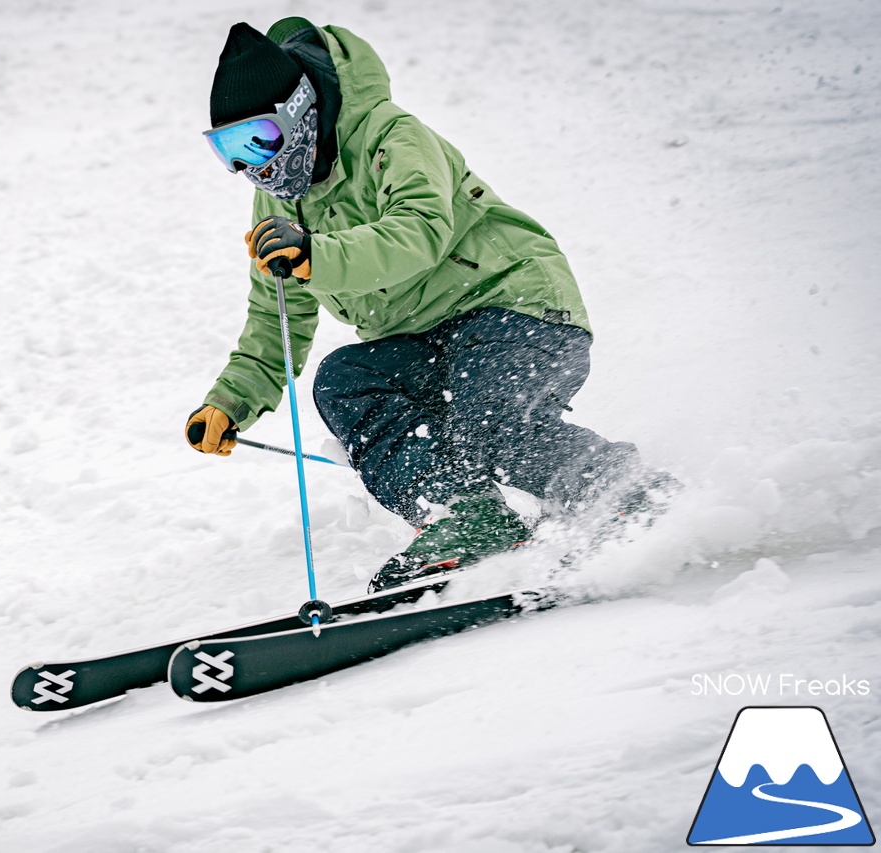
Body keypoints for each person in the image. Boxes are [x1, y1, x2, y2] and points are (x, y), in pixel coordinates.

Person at [185, 19, 673, 593]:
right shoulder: (277, 199)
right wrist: (231, 400)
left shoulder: (389, 136)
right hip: (425, 339)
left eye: (258, 140)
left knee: (489, 426)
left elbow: (420, 230)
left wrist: (318, 254)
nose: (251, 166)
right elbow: (276, 314)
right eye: (229, 151)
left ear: (298, 112)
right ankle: (463, 512)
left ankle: (622, 492)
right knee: (346, 379)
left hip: (515, 306)